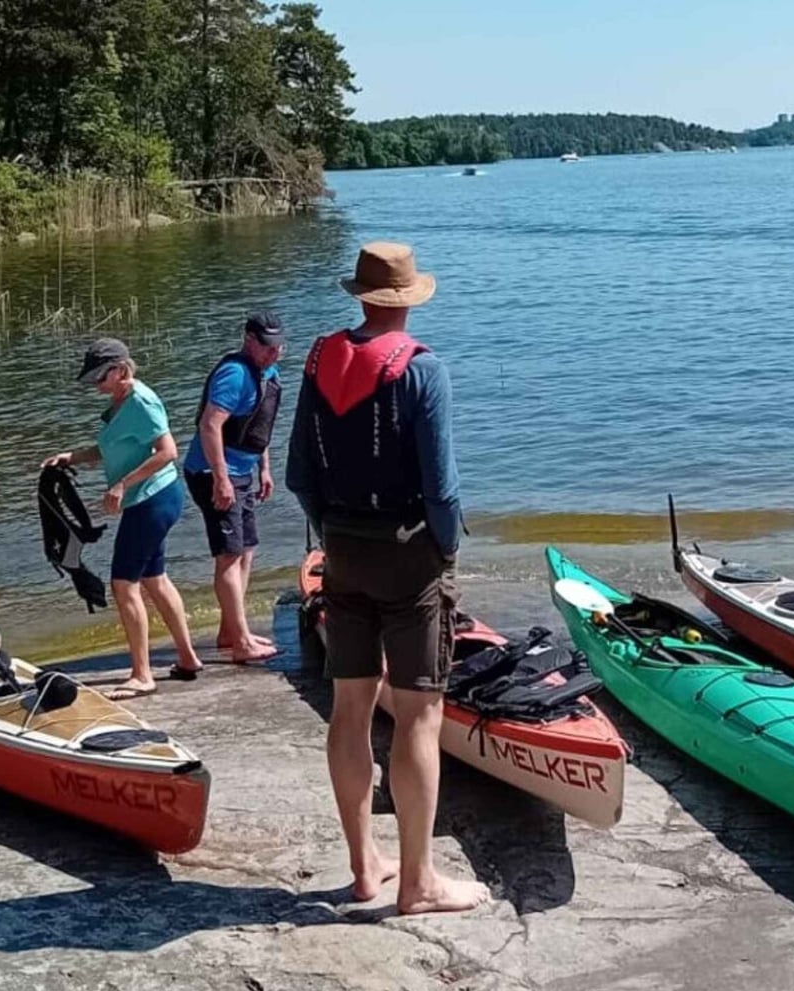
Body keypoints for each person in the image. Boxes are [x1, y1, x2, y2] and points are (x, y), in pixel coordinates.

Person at [286, 242, 489, 915]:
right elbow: (443, 486)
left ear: (361, 296)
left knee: (349, 706)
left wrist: (334, 533)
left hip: (342, 550)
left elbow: (299, 476)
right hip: (410, 559)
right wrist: (446, 550)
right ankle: (419, 881)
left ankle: (363, 866)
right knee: (419, 713)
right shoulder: (423, 370)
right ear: (407, 299)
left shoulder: (319, 360)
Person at [42, 338, 204, 700]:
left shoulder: (142, 401)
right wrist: (70, 457)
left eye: (100, 377)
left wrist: (121, 485)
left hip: (153, 500)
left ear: (120, 370)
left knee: (123, 583)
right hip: (150, 500)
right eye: (92, 380)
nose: (96, 385)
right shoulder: (120, 403)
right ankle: (188, 658)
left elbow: (168, 452)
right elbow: (111, 448)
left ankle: (142, 674)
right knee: (154, 577)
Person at [182, 311, 285, 666]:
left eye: (279, 347)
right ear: (249, 341)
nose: (274, 354)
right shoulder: (234, 374)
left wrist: (265, 469)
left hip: (243, 471)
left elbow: (260, 425)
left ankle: (230, 630)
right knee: (228, 554)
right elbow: (211, 426)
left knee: (247, 549)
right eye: (268, 347)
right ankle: (240, 642)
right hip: (213, 473)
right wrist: (222, 479)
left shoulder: (267, 371)